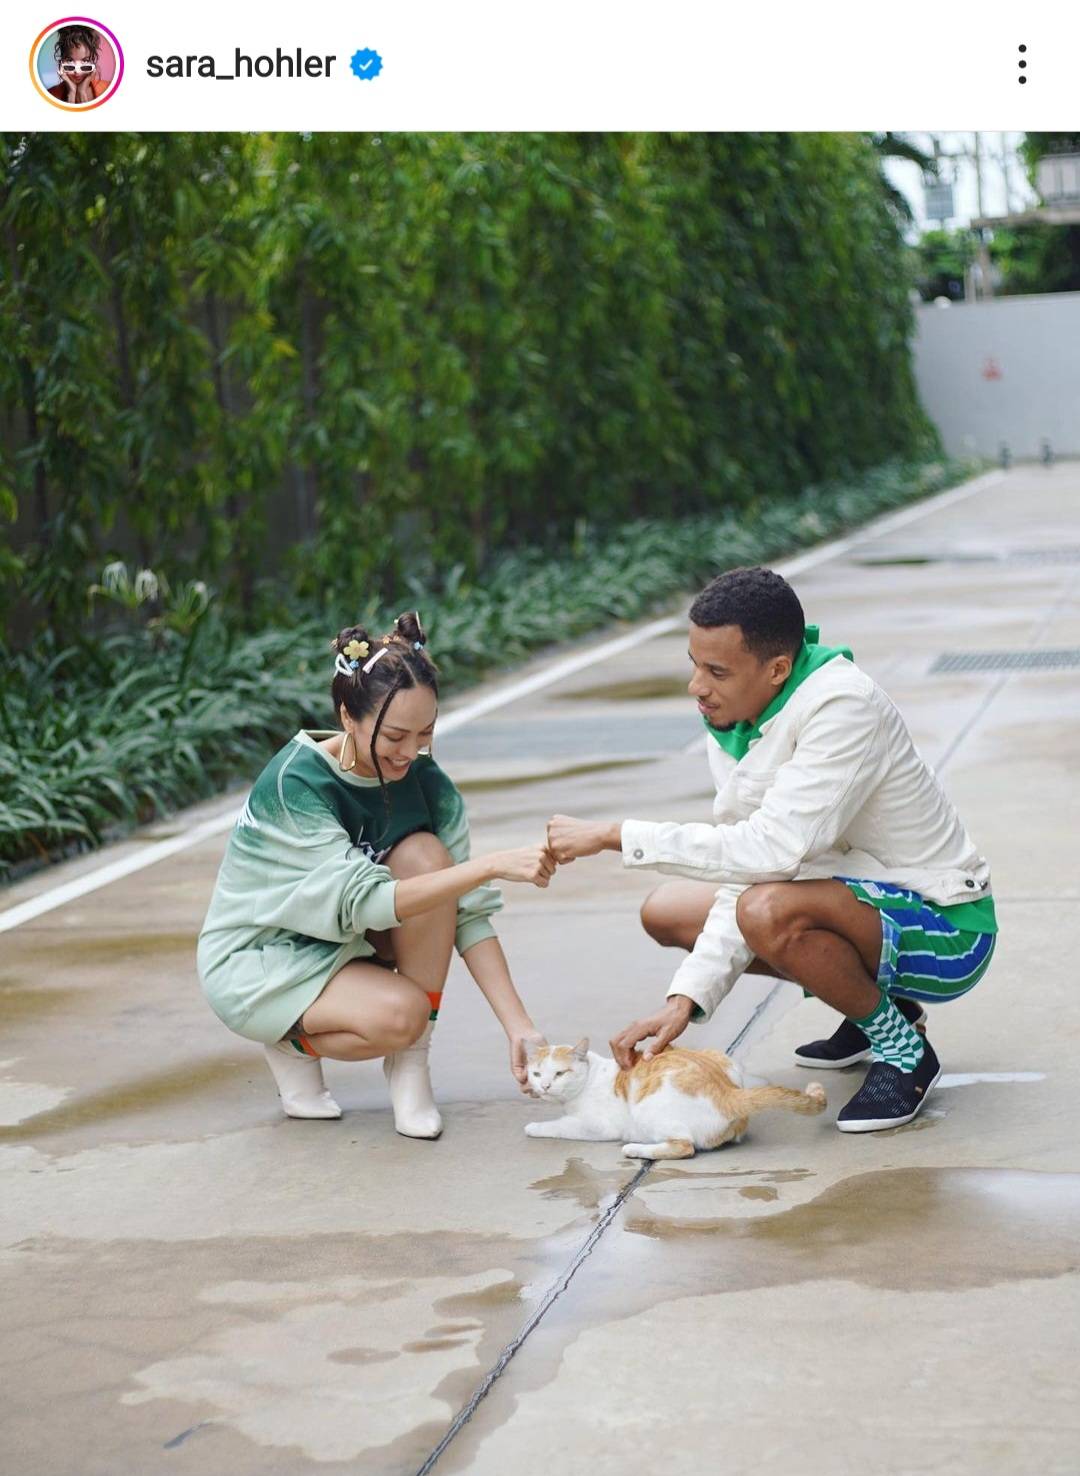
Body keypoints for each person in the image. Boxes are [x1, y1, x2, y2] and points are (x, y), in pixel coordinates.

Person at [546, 566, 997, 1133]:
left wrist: (617, 835)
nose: (696, 686)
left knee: (767, 910)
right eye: (694, 664)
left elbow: (773, 853)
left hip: (946, 927)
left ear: (777, 668)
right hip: (859, 906)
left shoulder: (843, 706)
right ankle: (882, 1010)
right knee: (667, 910)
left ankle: (904, 1050)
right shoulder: (737, 716)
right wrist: (684, 1000)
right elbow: (745, 867)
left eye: (717, 671)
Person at [197, 611, 553, 1137]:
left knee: (427, 856)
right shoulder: (294, 786)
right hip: (263, 958)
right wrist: (491, 865)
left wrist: (519, 1026)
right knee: (400, 1014)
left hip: (342, 943)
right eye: (394, 736)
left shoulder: (426, 783)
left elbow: (466, 912)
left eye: (426, 733)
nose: (411, 752)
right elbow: (365, 903)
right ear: (348, 717)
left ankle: (411, 1067)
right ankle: (290, 1043)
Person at [47, 26, 111, 104]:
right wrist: (71, 94)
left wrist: (82, 92)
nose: (77, 72)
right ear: (62, 60)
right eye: (70, 60)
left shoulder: (108, 89)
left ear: (93, 61)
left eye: (85, 60)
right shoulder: (50, 95)